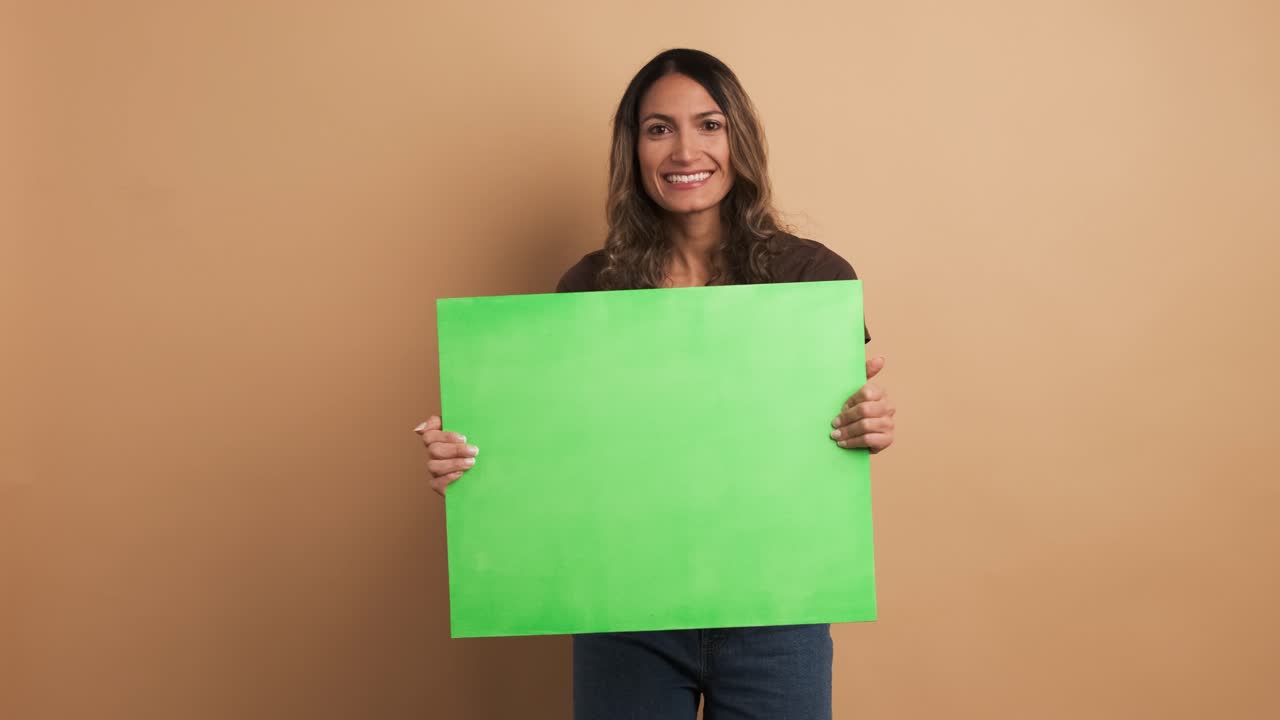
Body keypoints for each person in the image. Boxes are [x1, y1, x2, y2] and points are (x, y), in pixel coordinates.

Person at [414, 48, 896, 720]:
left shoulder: (811, 280)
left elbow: (830, 431)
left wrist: (866, 424)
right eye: (658, 128)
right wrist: (469, 460)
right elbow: (558, 458)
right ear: (634, 149)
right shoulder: (591, 288)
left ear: (740, 141)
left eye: (709, 124)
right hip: (625, 614)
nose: (684, 150)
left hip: (776, 609)